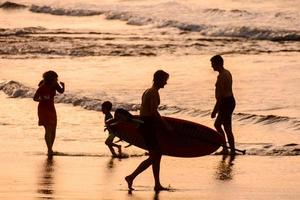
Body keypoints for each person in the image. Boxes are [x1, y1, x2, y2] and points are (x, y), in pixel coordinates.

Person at [125, 70, 171, 191]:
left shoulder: (148, 91)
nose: (166, 83)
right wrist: (165, 125)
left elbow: (146, 111)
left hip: (145, 124)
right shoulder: (153, 93)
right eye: (165, 80)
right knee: (155, 155)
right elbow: (153, 112)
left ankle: (157, 184)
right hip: (147, 126)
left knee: (156, 155)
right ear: (159, 79)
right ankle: (131, 176)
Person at [33, 70, 65, 156]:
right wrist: (42, 99)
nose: (57, 80)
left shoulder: (55, 84)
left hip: (51, 108)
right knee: (48, 128)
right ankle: (49, 150)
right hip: (43, 108)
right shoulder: (42, 87)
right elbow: (35, 98)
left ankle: (50, 148)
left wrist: (63, 86)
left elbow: (61, 91)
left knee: (53, 130)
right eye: (55, 78)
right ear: (50, 79)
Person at [210, 55, 236, 155]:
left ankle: (226, 148)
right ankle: (231, 149)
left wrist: (214, 111)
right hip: (230, 101)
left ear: (218, 63)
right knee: (227, 127)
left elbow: (220, 97)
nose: (212, 66)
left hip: (226, 102)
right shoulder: (227, 72)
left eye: (213, 64)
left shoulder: (222, 76)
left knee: (218, 125)